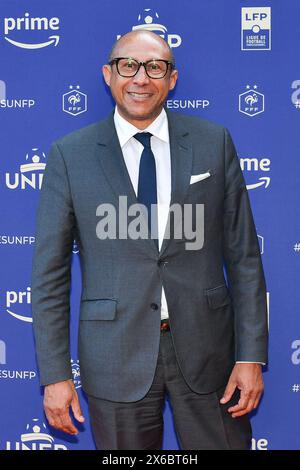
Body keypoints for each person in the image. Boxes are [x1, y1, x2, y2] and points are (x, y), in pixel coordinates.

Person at [31, 30, 268, 450]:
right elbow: (49, 276)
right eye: (129, 66)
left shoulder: (214, 143)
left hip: (209, 352)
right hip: (114, 355)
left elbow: (245, 258)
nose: (141, 78)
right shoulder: (70, 155)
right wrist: (55, 375)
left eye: (154, 67)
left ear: (171, 79)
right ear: (109, 74)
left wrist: (250, 357)